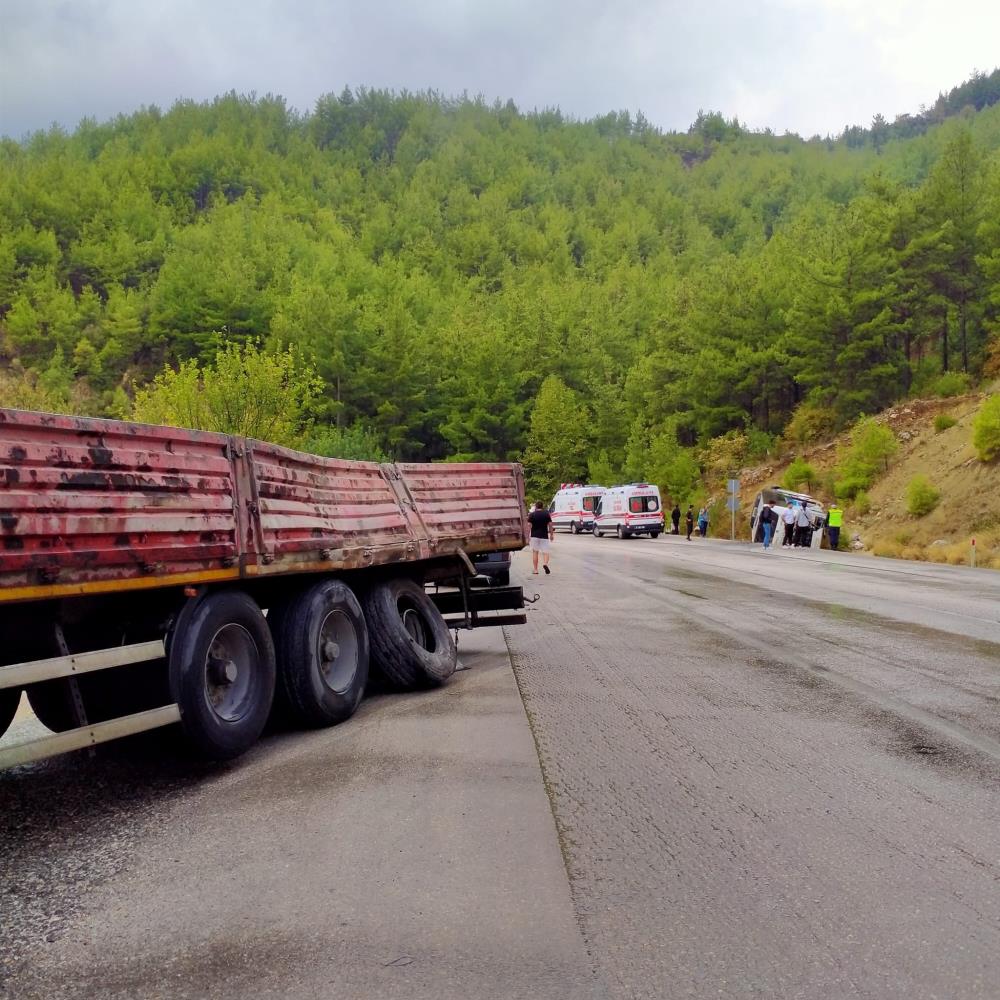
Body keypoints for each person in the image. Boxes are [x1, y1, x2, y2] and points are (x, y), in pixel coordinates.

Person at [527, 500, 555, 574]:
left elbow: (529, 526)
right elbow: (550, 525)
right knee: (545, 552)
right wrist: (551, 534)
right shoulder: (546, 514)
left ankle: (535, 570)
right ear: (542, 506)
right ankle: (545, 564)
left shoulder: (532, 515)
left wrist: (527, 536)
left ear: (536, 506)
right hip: (544, 536)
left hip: (534, 536)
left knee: (535, 552)